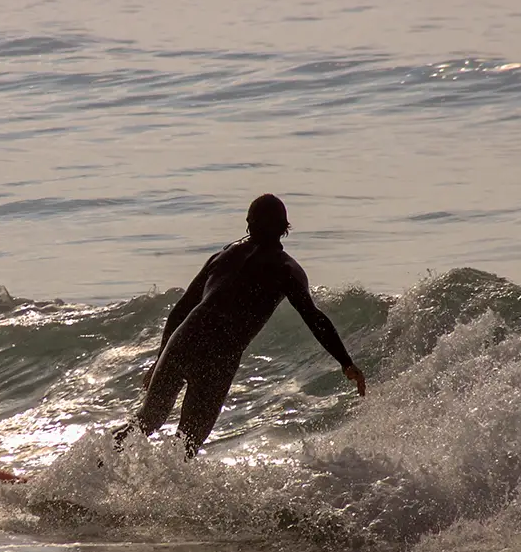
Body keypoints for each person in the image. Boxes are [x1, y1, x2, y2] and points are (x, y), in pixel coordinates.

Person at [115, 193, 366, 458]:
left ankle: (92, 471)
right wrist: (346, 362)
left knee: (146, 421)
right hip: (219, 355)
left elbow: (181, 308)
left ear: (248, 222)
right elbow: (315, 319)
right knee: (186, 443)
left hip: (185, 338)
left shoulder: (224, 256)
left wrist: (160, 357)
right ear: (285, 228)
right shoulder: (286, 269)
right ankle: (154, 495)